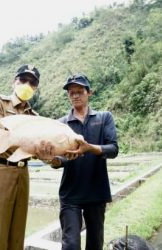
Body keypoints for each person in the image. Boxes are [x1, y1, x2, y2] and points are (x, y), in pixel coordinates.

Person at [0, 64, 53, 250]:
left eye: (32, 82)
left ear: (36, 88)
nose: (27, 85)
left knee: (17, 238)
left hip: (22, 174)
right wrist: (32, 142)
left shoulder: (34, 116)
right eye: (23, 80)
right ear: (14, 81)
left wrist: (51, 154)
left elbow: (43, 151)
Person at [50, 73, 119, 250]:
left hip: (96, 192)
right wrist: (54, 161)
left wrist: (90, 148)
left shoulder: (104, 118)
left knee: (95, 244)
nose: (75, 95)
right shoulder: (61, 124)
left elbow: (113, 149)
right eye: (71, 92)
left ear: (89, 92)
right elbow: (62, 158)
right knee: (71, 245)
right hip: (70, 194)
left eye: (80, 91)